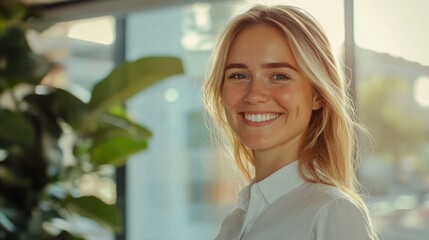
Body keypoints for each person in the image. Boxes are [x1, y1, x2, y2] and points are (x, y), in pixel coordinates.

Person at [203, 4, 378, 240]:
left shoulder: (332, 211)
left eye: (279, 76)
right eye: (239, 75)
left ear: (317, 94)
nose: (254, 94)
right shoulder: (233, 223)